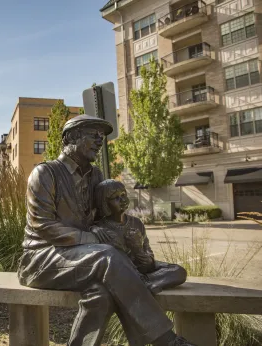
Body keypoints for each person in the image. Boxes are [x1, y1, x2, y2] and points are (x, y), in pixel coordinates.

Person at [17, 114, 196, 346]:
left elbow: (105, 221)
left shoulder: (97, 177)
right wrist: (89, 237)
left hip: (85, 259)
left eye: (102, 136)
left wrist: (134, 246)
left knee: (102, 294)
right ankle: (167, 341)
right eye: (94, 135)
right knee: (107, 256)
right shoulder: (46, 173)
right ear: (71, 137)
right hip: (41, 259)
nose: (100, 141)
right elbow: (43, 226)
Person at [93, 179, 187, 294]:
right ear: (104, 203)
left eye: (123, 195)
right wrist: (93, 229)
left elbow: (149, 262)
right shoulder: (101, 228)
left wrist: (138, 249)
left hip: (143, 270)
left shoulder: (136, 223)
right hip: (123, 273)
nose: (122, 200)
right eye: (115, 198)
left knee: (178, 271)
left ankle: (144, 283)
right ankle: (146, 283)